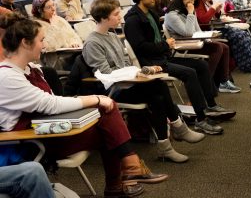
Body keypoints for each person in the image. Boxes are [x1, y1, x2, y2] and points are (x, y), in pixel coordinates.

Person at [0, 13, 168, 197]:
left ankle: (124, 175)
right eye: (41, 40)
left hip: (48, 130)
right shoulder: (7, 77)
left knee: (108, 120)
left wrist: (96, 100)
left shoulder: (31, 69)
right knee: (108, 124)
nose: (45, 45)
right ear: (25, 42)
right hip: (31, 141)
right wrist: (95, 98)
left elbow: (49, 105)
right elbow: (49, 104)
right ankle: (124, 175)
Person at [82, 0, 204, 163]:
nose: (120, 17)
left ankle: (168, 143)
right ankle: (177, 131)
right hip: (113, 91)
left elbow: (125, 64)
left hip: (128, 84)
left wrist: (144, 70)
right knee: (157, 90)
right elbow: (106, 75)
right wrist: (135, 74)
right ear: (104, 17)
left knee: (158, 93)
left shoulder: (112, 36)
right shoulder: (92, 43)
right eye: (116, 14)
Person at [124, 0, 235, 135]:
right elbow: (141, 48)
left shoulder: (151, 15)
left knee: (201, 65)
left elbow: (158, 40)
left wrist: (165, 45)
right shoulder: (133, 20)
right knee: (189, 73)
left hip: (162, 57)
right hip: (151, 63)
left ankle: (210, 105)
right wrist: (165, 45)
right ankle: (200, 120)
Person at [165, 0, 242, 93]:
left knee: (225, 47)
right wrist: (191, 13)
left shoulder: (186, 10)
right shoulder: (172, 15)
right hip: (183, 45)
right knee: (217, 48)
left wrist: (207, 38)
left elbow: (197, 30)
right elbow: (188, 33)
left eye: (194, 0)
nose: (192, 2)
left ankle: (223, 82)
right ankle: (205, 84)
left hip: (193, 41)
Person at [195, 0, 251, 72]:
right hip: (208, 31)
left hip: (216, 27)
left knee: (243, 34)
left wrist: (217, 11)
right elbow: (203, 20)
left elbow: (214, 16)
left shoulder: (207, 1)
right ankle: (247, 64)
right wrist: (213, 8)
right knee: (239, 36)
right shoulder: (199, 3)